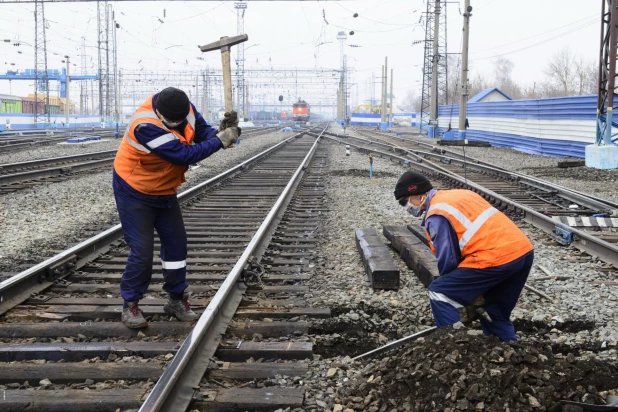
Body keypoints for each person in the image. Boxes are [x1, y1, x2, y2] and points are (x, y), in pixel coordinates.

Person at [113, 87, 240, 328]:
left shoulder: (186, 109)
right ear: (159, 112)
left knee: (176, 247)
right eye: (171, 121)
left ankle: (175, 299)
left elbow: (202, 133)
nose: (176, 123)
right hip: (134, 190)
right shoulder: (145, 125)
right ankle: (130, 304)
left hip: (164, 189)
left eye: (179, 120)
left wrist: (222, 133)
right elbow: (184, 155)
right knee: (142, 250)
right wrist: (220, 142)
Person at [393, 171, 534, 342]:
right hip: (522, 252)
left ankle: (453, 346)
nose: (406, 207)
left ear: (417, 194)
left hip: (494, 258)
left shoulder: (437, 213)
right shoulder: (459, 194)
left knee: (440, 291)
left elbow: (448, 258)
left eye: (404, 202)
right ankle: (510, 351)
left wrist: (455, 289)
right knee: (494, 310)